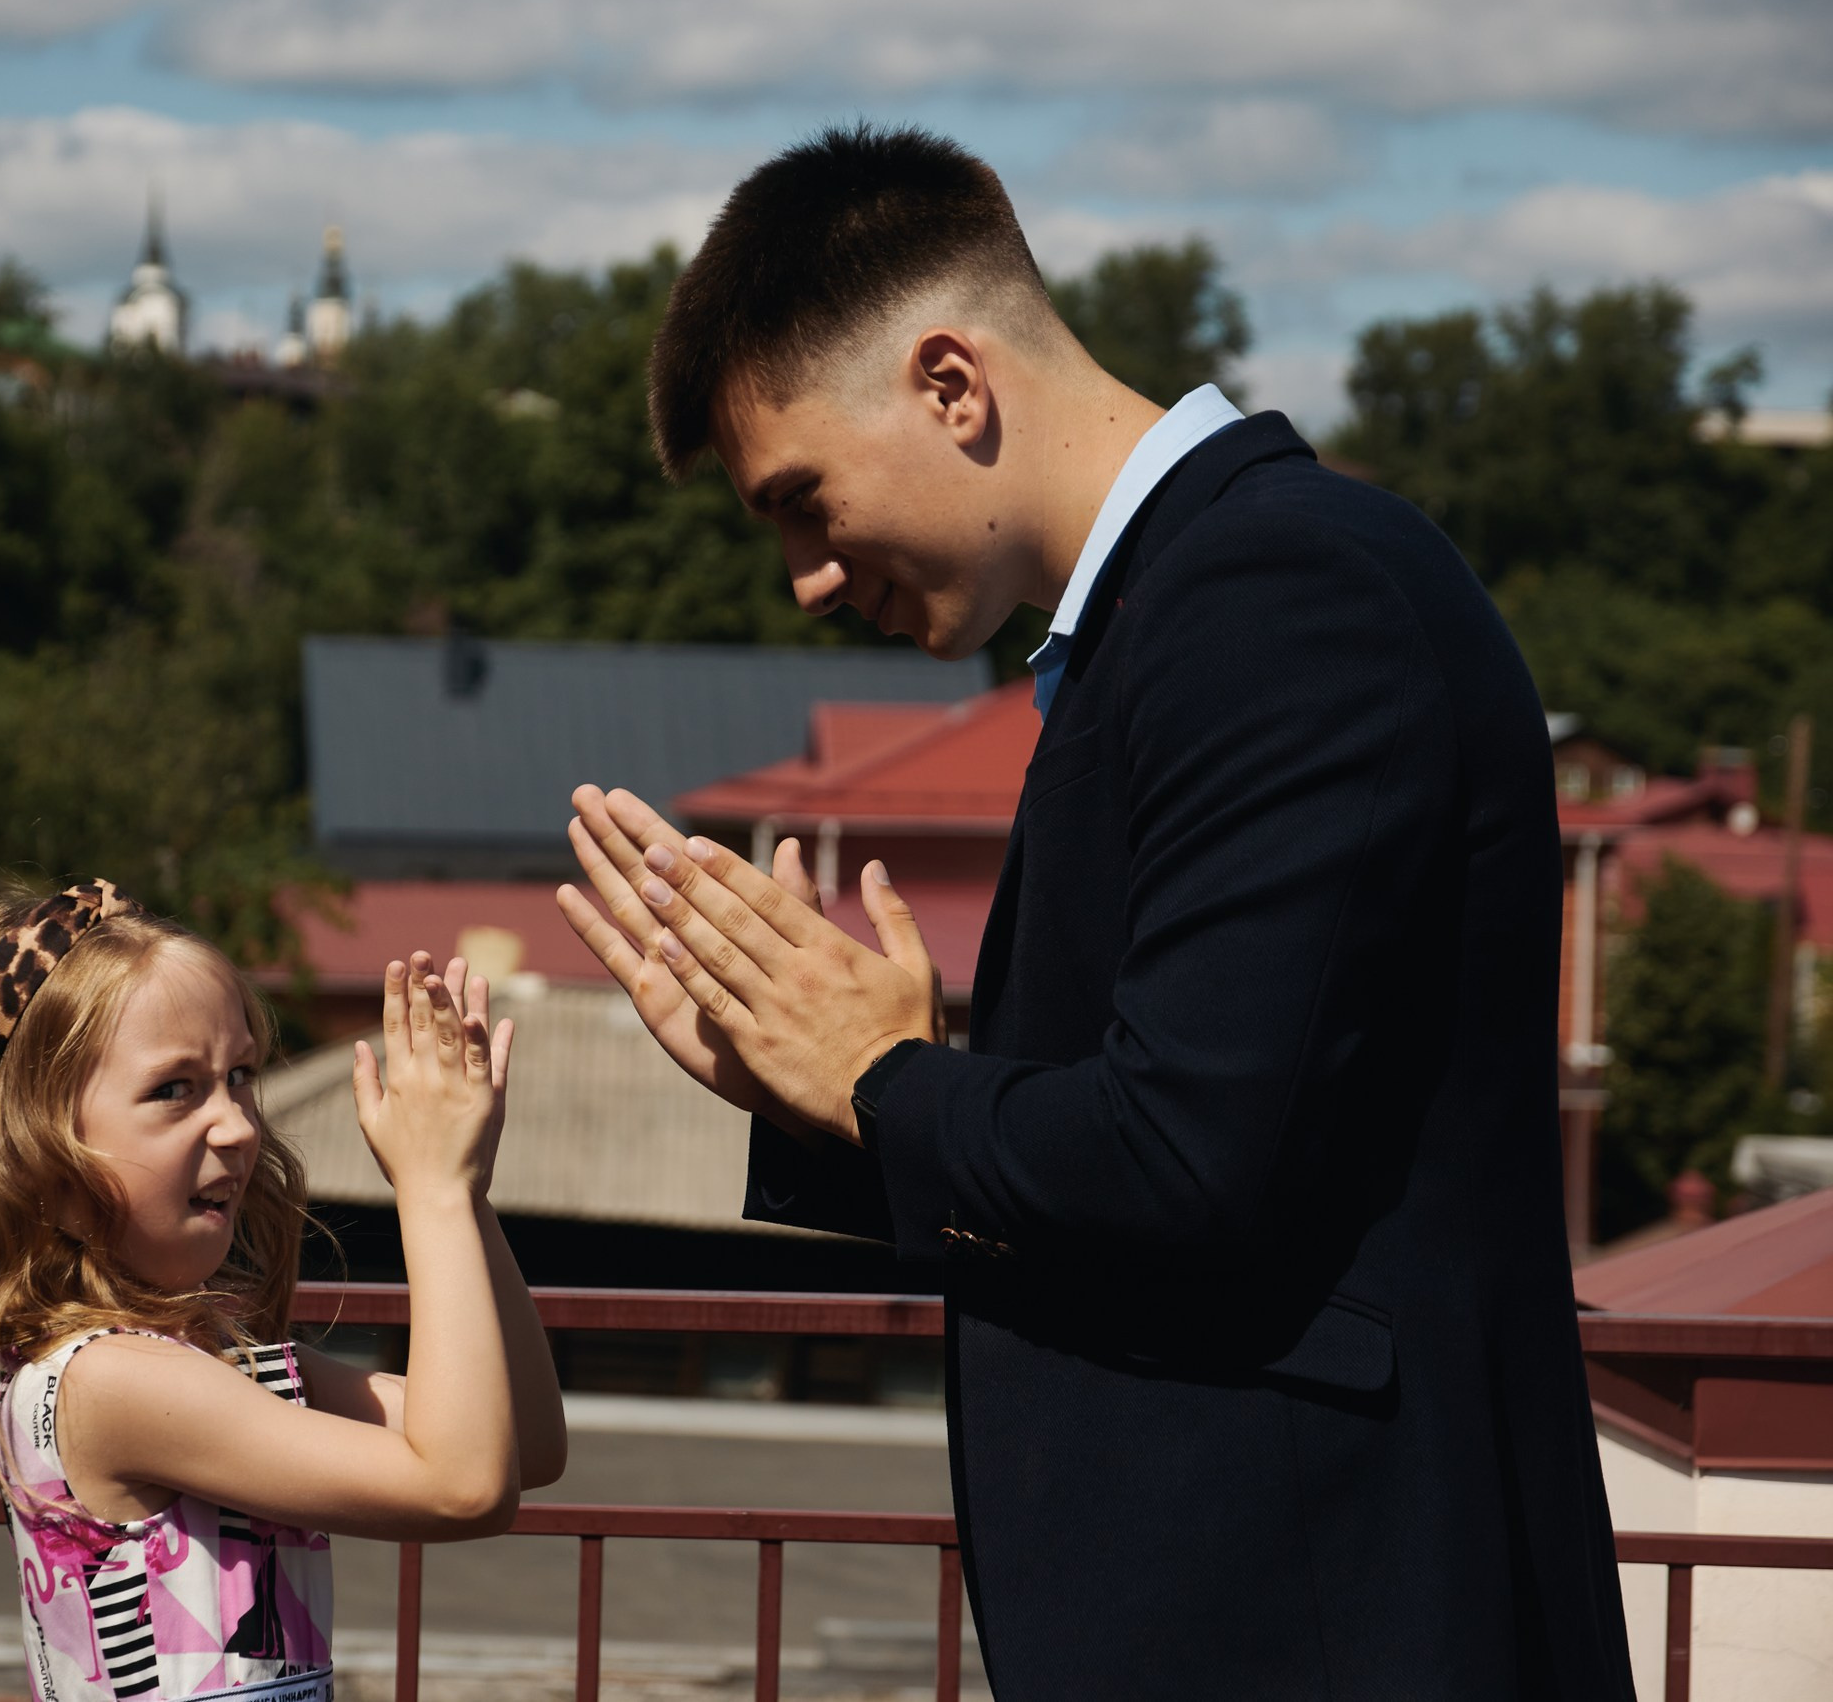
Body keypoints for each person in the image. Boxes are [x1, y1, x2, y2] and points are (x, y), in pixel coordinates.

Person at [558, 127, 1633, 1699]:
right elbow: (1209, 1144)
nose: (799, 574)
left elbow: (1188, 1158)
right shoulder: (1181, 614)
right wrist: (828, 1093)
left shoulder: (1275, 594)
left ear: (949, 382)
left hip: (1328, 1628)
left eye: (800, 500)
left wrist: (887, 1082)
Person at [0, 882, 564, 1702]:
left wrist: (466, 1194)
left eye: (241, 1075)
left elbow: (526, 1447)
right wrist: (430, 1191)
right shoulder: (106, 1381)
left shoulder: (205, 1352)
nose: (239, 1124)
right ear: (38, 1163)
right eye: (175, 1089)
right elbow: (461, 1487)